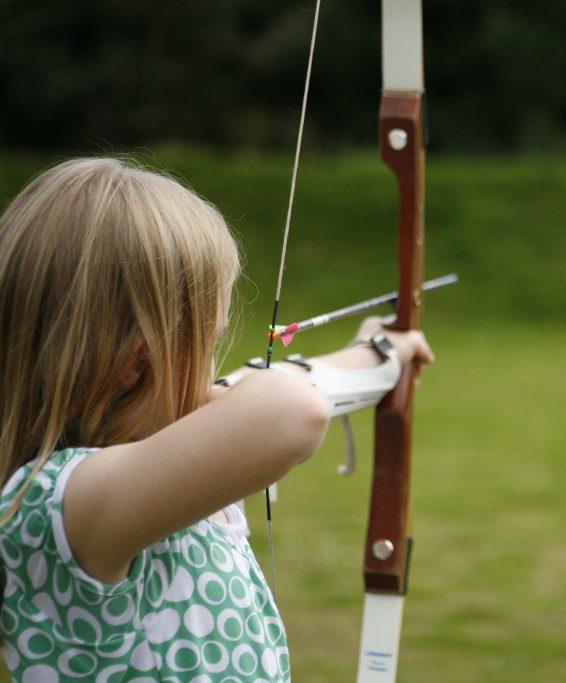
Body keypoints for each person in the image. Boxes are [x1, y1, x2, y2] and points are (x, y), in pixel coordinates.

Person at [0, 157, 433, 681]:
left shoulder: (151, 461)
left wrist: (378, 352)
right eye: (209, 342)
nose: (215, 374)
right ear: (137, 360)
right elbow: (293, 406)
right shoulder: (59, 504)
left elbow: (277, 389)